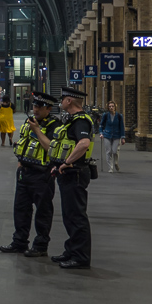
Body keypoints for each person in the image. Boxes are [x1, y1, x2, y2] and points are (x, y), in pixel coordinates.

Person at [0, 91, 59, 256]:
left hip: (42, 174)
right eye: (34, 105)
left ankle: (40, 246)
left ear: (49, 108)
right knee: (20, 209)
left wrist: (38, 130)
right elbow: (24, 142)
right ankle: (19, 242)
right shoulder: (29, 121)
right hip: (24, 172)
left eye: (40, 107)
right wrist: (20, 163)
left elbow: (52, 149)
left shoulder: (54, 125)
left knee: (43, 211)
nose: (36, 109)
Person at [50, 87, 95, 270]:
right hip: (69, 174)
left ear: (69, 101)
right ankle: (71, 250)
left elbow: (83, 143)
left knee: (76, 216)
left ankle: (80, 257)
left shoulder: (81, 121)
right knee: (69, 215)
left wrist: (67, 161)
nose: (61, 102)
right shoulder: (73, 120)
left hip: (75, 173)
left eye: (63, 99)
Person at [99, 101, 126, 173]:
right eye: (110, 106)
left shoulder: (119, 116)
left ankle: (116, 163)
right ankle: (110, 167)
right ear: (108, 107)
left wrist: (123, 137)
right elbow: (101, 125)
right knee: (108, 151)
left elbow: (122, 127)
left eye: (112, 106)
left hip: (117, 135)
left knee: (115, 151)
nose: (111, 107)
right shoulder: (105, 115)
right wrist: (101, 133)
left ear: (115, 107)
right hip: (107, 135)